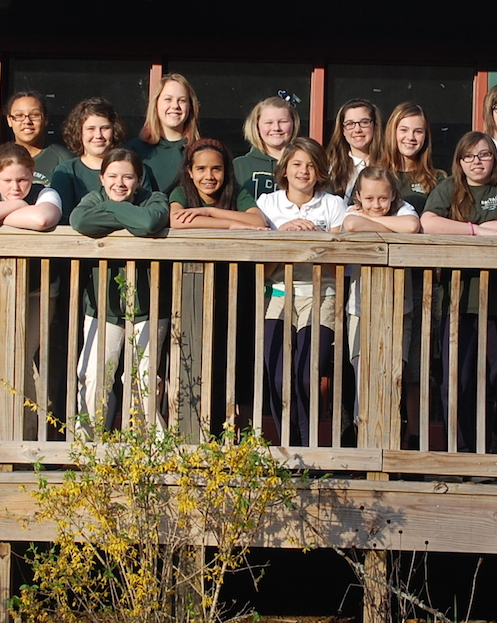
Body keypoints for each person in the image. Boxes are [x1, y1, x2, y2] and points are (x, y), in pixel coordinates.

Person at [420, 132, 497, 454]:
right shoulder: (450, 188)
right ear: (459, 161)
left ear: (493, 158)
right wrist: (478, 231)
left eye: (484, 155)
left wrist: (475, 230)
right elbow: (428, 223)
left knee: (496, 379)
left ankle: (495, 452)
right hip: (457, 300)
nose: (477, 162)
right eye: (469, 156)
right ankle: (461, 452)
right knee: (457, 380)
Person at [0, 142, 63, 430]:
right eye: (7, 181)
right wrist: (16, 207)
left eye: (23, 179)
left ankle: (24, 435)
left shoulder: (46, 192)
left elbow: (43, 218)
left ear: (33, 173)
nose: (16, 187)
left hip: (36, 291)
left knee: (21, 361)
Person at [70, 148, 170, 430]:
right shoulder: (92, 198)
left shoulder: (155, 198)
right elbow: (80, 221)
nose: (120, 183)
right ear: (101, 178)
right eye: (112, 176)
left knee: (143, 377)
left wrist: (110, 210)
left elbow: (150, 221)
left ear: (139, 180)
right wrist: (128, 216)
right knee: (94, 374)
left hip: (148, 306)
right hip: (104, 307)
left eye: (128, 177)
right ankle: (88, 446)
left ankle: (144, 445)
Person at [258, 138, 348, 447]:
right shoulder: (268, 204)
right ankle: (288, 445)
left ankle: (309, 446)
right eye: (297, 164)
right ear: (285, 169)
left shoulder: (333, 204)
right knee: (278, 375)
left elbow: (340, 260)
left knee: (309, 374)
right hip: (279, 293)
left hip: (322, 294)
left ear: (320, 170)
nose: (304, 171)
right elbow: (261, 261)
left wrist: (316, 239)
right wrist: (283, 236)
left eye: (311, 165)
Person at [343, 166, 420, 431]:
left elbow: (411, 227)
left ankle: (391, 437)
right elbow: (351, 225)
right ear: (358, 197)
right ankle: (361, 436)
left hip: (399, 309)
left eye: (383, 198)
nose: (376, 205)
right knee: (363, 376)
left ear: (393, 195)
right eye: (370, 199)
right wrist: (390, 230)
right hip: (360, 309)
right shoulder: (351, 212)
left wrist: (372, 225)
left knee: (392, 376)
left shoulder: (405, 210)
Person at [50, 97, 139, 222]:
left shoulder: (133, 168)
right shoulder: (67, 172)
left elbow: (145, 213)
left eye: (105, 128)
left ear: (114, 130)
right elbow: (63, 221)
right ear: (79, 132)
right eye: (90, 129)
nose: (98, 135)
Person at [126, 72, 201, 192]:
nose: (175, 106)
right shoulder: (134, 150)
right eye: (168, 99)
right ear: (156, 104)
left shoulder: (200, 152)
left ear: (190, 107)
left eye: (182, 100)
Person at [169, 138, 267, 229]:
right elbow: (176, 220)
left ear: (225, 170)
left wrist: (210, 211)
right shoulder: (181, 192)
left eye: (216, 169)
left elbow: (258, 221)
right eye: (201, 169)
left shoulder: (237, 192)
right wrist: (230, 224)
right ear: (190, 172)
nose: (209, 176)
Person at [376, 102, 443, 214]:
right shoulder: (373, 174)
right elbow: (354, 217)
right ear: (392, 132)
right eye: (404, 130)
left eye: (418, 131)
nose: (411, 137)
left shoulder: (436, 179)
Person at [235, 96, 299, 202]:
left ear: (294, 124)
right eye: (268, 123)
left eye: (283, 121)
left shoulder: (307, 165)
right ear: (257, 127)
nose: (276, 128)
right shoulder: (239, 166)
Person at [4, 91, 73, 189]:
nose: (27, 121)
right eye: (19, 115)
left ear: (46, 119)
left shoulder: (63, 159)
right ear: (9, 120)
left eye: (34, 115)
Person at [326, 99, 383, 196]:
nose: (357, 129)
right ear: (343, 130)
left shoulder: (388, 164)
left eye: (364, 122)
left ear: (375, 126)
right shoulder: (331, 167)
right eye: (350, 124)